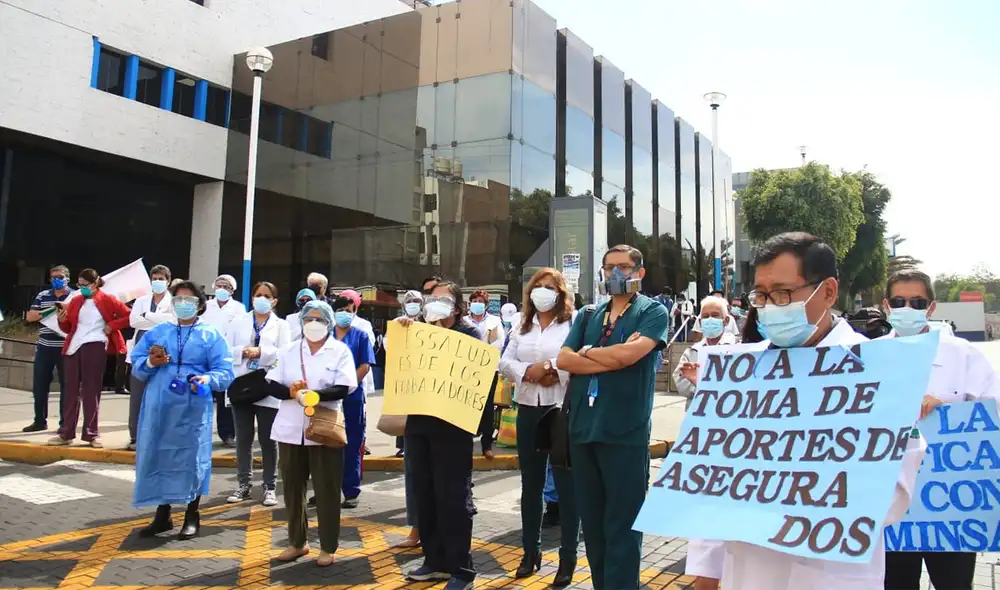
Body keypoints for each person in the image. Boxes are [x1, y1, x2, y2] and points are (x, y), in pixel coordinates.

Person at [685, 232, 926, 590]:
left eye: (783, 294)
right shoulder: (737, 373)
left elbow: (895, 491)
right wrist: (705, 571)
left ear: (827, 292)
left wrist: (801, 482)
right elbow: (714, 480)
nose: (769, 306)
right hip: (749, 570)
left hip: (828, 571)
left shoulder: (880, 369)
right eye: (761, 296)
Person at [556, 244, 669, 590]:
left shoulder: (653, 312)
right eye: (609, 267)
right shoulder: (589, 314)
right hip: (583, 431)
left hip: (624, 432)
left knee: (622, 525)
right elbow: (564, 360)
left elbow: (632, 355)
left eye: (624, 267)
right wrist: (607, 356)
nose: (615, 274)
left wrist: (588, 355)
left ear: (640, 272)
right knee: (592, 525)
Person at [882, 269, 1000, 590]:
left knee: (954, 583)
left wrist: (946, 409)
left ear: (931, 307)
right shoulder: (869, 355)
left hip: (951, 509)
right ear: (886, 305)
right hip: (890, 511)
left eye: (916, 301)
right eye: (898, 301)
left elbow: (991, 416)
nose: (906, 307)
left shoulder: (963, 355)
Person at [130, 281, 234, 539]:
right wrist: (151, 362)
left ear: (199, 305)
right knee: (159, 454)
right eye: (178, 299)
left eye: (189, 300)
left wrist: (208, 380)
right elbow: (137, 364)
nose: (183, 304)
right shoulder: (158, 332)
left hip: (192, 404)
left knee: (191, 457)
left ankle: (192, 513)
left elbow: (224, 370)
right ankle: (162, 513)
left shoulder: (210, 334)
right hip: (159, 405)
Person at [499, 268, 579, 587]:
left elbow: (576, 359)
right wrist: (526, 371)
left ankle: (568, 557)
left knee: (565, 486)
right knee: (530, 486)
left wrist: (550, 368)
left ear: (561, 293)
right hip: (528, 409)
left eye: (549, 287)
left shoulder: (572, 324)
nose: (542, 292)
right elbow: (504, 361)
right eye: (537, 287)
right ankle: (530, 552)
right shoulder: (522, 325)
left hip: (559, 410)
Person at [264, 300, 357, 567]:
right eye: (308, 319)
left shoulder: (339, 351)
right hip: (291, 429)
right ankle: (297, 542)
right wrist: (291, 393)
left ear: (328, 323)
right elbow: (271, 383)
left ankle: (328, 546)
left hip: (326, 429)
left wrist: (314, 395)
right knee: (293, 489)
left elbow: (344, 387)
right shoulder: (290, 350)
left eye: (319, 319)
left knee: (327, 489)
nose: (313, 324)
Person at [401, 280, 481, 590]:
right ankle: (434, 561)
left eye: (443, 299)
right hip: (420, 424)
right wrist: (405, 329)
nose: (435, 303)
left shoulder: (469, 335)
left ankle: (462, 569)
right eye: (431, 298)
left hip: (453, 428)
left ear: (458, 307)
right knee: (425, 494)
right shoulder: (415, 331)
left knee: (453, 498)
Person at [49, 269, 131, 448]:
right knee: (70, 391)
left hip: (95, 344)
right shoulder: (76, 300)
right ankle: (66, 433)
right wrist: (62, 319)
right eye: (79, 285)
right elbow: (68, 328)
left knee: (91, 390)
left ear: (94, 284)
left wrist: (112, 325)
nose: (81, 288)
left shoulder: (107, 299)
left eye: (85, 285)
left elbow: (128, 315)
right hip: (73, 346)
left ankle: (91, 434)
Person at [226, 282, 290, 507]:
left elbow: (285, 353)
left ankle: (269, 486)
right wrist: (241, 351)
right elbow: (226, 348)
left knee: (267, 439)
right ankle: (243, 484)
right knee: (243, 438)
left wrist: (262, 352)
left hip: (266, 386)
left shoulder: (281, 326)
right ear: (252, 297)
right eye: (258, 295)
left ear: (274, 301)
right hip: (242, 385)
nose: (261, 299)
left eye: (266, 296)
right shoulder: (239, 322)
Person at [330, 295, 374, 509]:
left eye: (349, 310)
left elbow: (364, 365)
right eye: (341, 310)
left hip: (352, 395)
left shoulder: (360, 335)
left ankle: (350, 491)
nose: (345, 314)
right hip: (327, 398)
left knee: (352, 442)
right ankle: (325, 489)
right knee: (326, 443)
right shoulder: (325, 335)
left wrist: (346, 385)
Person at [125, 264, 174, 451]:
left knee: (161, 397)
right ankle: (135, 436)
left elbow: (172, 320)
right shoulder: (141, 300)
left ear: (168, 281)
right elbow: (133, 321)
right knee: (137, 396)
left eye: (161, 279)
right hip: (140, 351)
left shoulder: (173, 301)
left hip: (162, 351)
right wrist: (156, 318)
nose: (157, 282)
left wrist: (148, 316)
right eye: (154, 279)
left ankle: (158, 437)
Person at [22, 265, 76, 433]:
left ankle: (64, 424)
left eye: (60, 277)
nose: (56, 280)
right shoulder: (43, 295)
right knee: (39, 386)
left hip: (65, 348)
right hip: (44, 347)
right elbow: (30, 316)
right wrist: (52, 310)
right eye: (53, 277)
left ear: (67, 278)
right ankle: (39, 421)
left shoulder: (74, 296)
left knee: (66, 388)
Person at [200, 274, 245, 446]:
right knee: (202, 395)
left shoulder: (239, 308)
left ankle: (227, 434)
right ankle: (201, 433)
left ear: (232, 290)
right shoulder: (206, 306)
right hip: (205, 354)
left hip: (226, 355)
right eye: (219, 286)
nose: (222, 290)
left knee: (224, 398)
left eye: (226, 287)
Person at [673, 295, 738, 410]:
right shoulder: (692, 352)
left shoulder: (738, 349)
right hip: (698, 414)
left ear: (726, 320)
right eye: (705, 316)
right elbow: (681, 384)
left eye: (715, 315)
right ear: (700, 322)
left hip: (730, 411)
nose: (710, 320)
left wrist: (700, 383)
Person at [467, 289, 504, 459]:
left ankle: (487, 445)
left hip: (488, 368)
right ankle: (466, 443)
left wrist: (482, 352)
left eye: (480, 301)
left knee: (487, 407)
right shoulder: (464, 321)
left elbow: (498, 343)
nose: (477, 304)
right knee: (467, 406)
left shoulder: (495, 321)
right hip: (467, 368)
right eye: (475, 300)